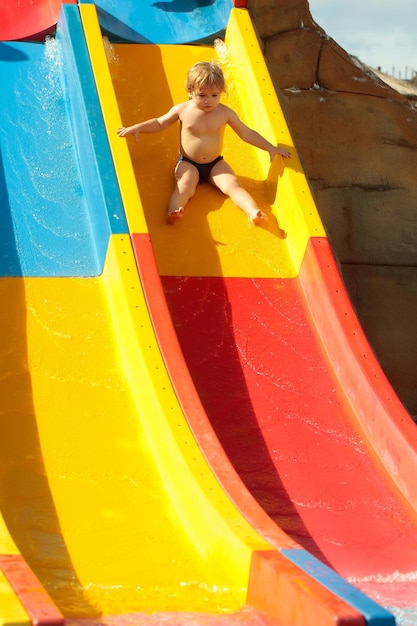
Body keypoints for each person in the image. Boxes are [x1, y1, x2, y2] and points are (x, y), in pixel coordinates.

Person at [117, 61, 291, 225]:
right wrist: (138, 127)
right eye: (202, 95)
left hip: (216, 163)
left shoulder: (225, 113)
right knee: (184, 186)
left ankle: (253, 212)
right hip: (188, 163)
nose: (209, 100)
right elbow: (160, 123)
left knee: (233, 184)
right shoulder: (183, 110)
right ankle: (174, 211)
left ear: (222, 91)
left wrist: (270, 147)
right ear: (190, 91)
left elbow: (246, 133)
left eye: (215, 95)